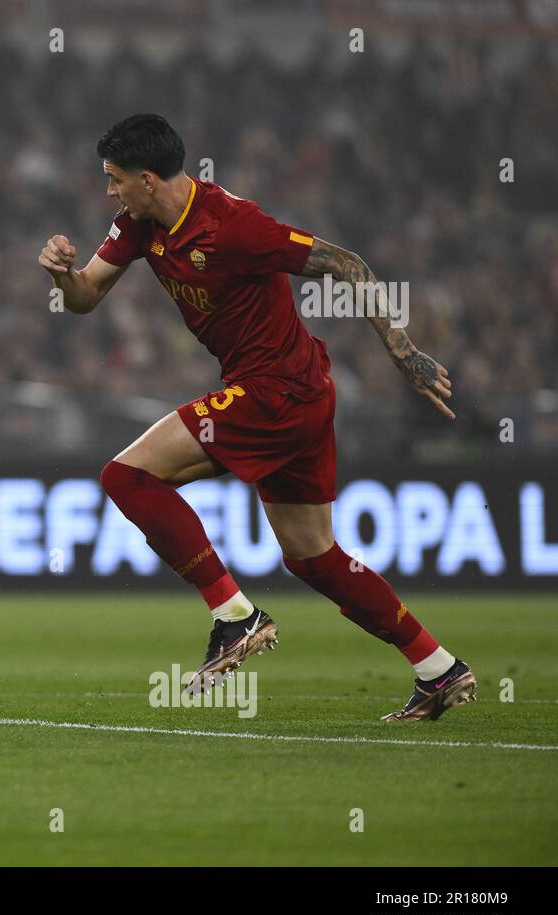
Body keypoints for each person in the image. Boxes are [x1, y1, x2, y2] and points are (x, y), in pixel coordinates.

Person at [38, 114, 473, 721]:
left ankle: (235, 617)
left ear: (146, 179)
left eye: (114, 180)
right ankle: (438, 667)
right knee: (312, 556)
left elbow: (345, 265)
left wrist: (403, 352)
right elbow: (86, 297)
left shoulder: (235, 227)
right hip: (297, 393)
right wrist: (64, 275)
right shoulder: (139, 224)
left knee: (126, 476)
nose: (109, 191)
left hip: (278, 392)